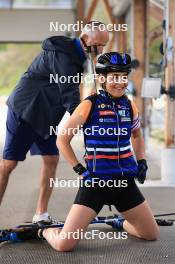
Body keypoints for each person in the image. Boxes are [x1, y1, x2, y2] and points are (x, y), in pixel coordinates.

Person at [40, 52, 159, 251]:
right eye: (114, 77)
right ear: (102, 78)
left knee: (151, 234)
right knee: (64, 244)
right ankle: (44, 230)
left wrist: (142, 161)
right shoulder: (89, 104)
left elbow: (136, 136)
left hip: (124, 183)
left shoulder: (129, 105)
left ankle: (118, 222)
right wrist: (79, 170)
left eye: (123, 76)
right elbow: (62, 139)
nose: (120, 82)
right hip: (96, 183)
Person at [0, 21, 109, 224]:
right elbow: (69, 95)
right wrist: (88, 122)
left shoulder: (79, 56)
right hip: (25, 111)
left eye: (104, 45)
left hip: (47, 116)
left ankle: (40, 213)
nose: (101, 50)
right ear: (85, 39)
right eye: (99, 45)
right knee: (8, 164)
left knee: (51, 159)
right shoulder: (64, 55)